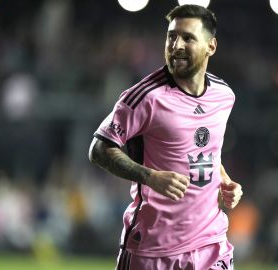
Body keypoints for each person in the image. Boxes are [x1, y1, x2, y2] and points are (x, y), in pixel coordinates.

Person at [88, 4, 243, 270]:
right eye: (171, 36)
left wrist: (226, 181)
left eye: (188, 38)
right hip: (152, 250)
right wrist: (150, 177)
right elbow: (99, 149)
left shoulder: (224, 95)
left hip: (210, 244)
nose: (176, 45)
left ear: (211, 46)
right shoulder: (145, 97)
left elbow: (206, 151)